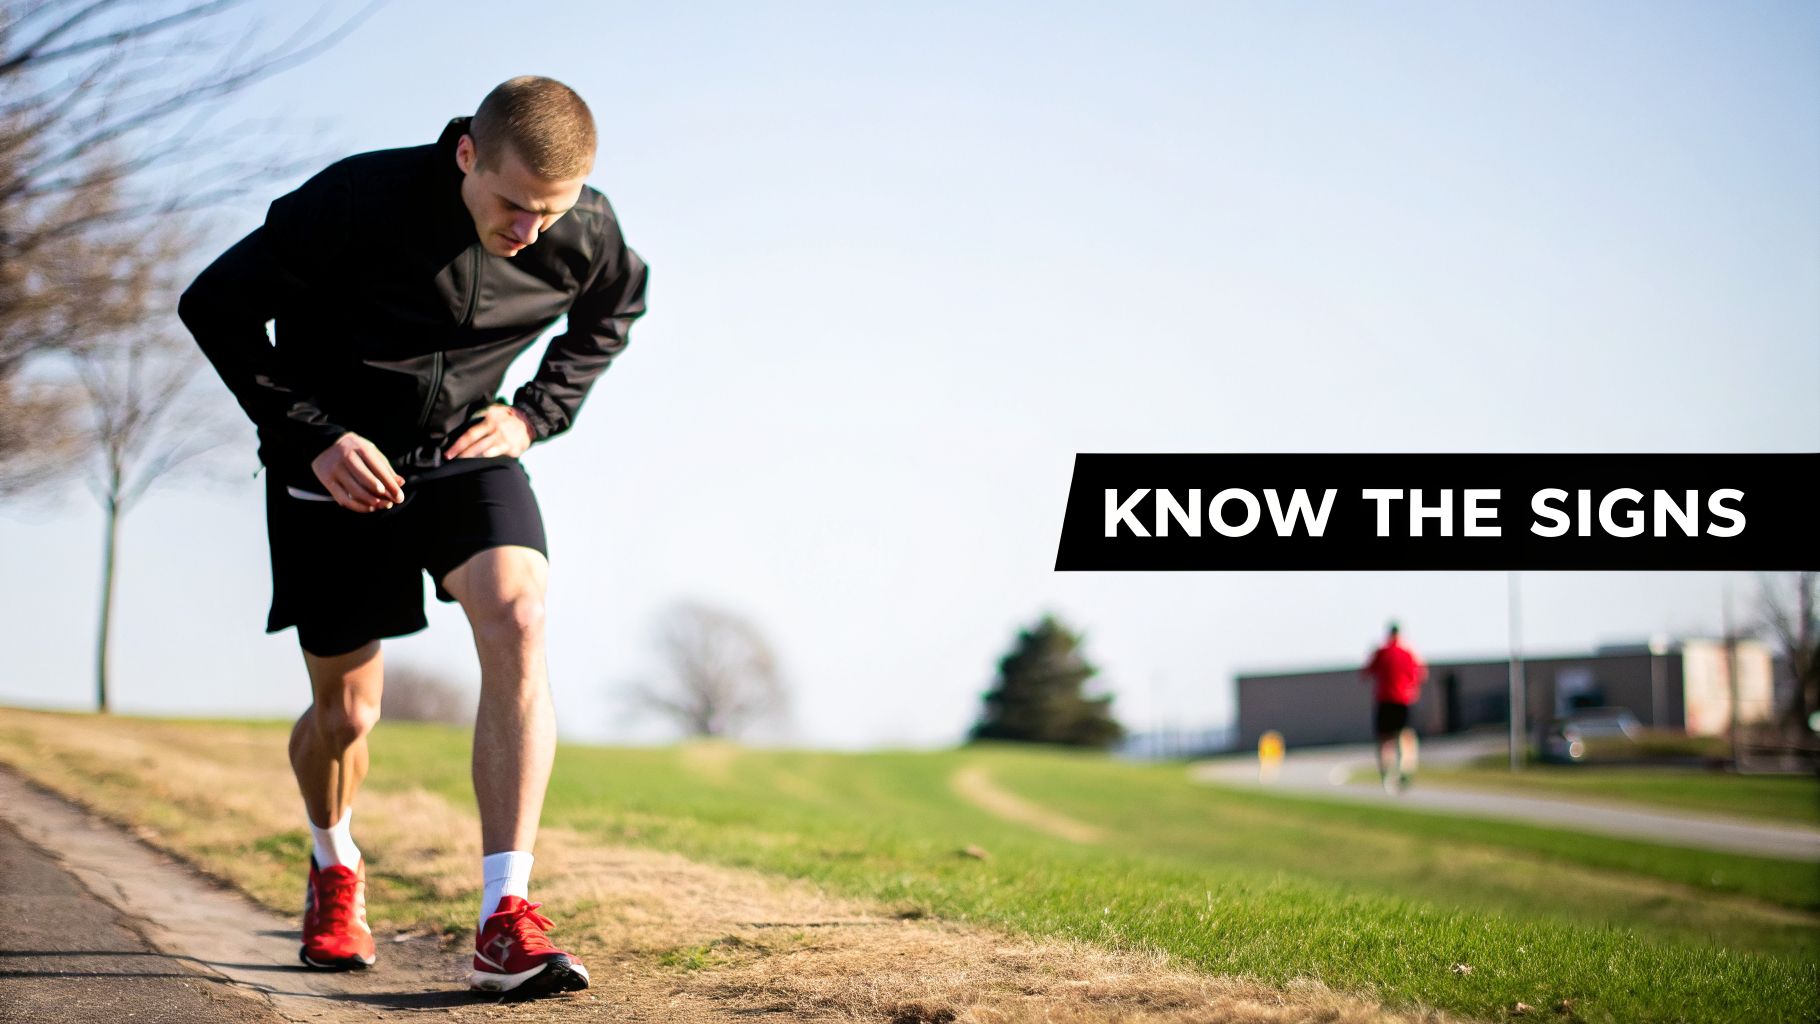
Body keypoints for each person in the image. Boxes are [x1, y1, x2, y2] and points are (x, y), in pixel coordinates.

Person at [179, 76, 648, 998]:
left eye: (550, 212)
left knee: (519, 615)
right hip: (333, 464)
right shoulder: (357, 199)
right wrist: (313, 437)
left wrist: (535, 413)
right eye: (513, 205)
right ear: (467, 154)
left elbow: (613, 312)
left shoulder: (585, 229)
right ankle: (334, 862)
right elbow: (216, 307)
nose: (530, 230)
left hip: (464, 454)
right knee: (347, 716)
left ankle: (504, 920)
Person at [1361, 621, 1427, 794]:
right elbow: (1421, 673)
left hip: (1386, 700)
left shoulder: (1382, 652)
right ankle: (1406, 769)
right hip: (1404, 700)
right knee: (1406, 737)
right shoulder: (1409, 652)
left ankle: (1387, 773)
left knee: (1386, 740)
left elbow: (1366, 672)